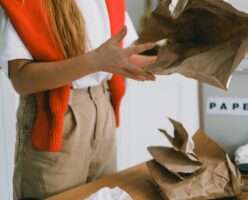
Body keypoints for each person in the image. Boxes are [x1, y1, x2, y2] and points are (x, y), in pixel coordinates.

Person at [0, 0, 157, 199]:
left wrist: (178, 62)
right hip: (54, 119)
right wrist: (95, 61)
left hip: (102, 109)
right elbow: (22, 79)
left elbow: (120, 57)